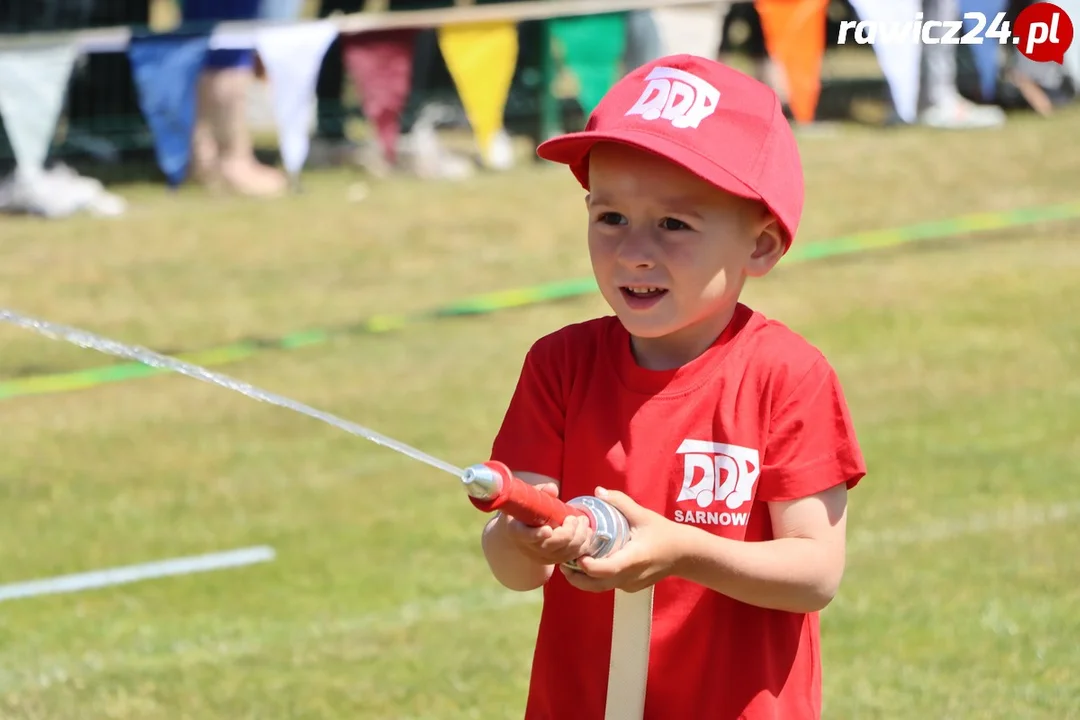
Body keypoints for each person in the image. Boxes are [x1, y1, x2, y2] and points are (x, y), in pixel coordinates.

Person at [478, 53, 867, 720]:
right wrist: (521, 537)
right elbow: (520, 569)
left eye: (674, 224)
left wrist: (683, 553)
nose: (634, 251)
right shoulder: (558, 366)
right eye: (610, 218)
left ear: (762, 245)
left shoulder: (786, 376)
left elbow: (814, 574)